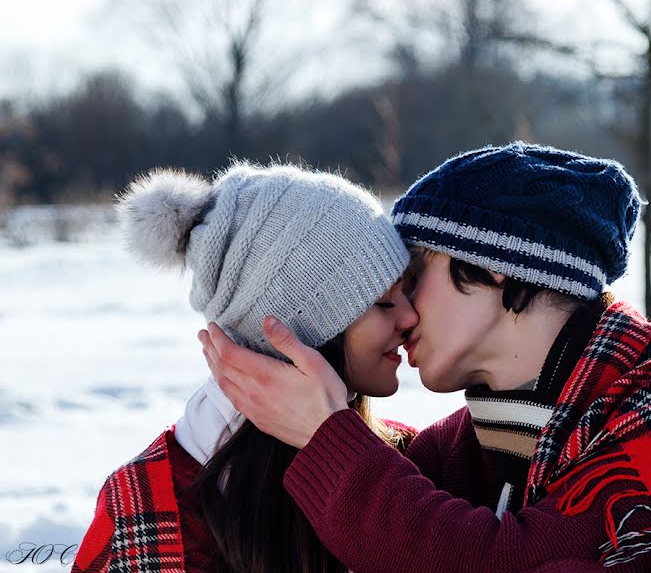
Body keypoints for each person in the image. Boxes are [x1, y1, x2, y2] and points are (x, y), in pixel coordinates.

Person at [202, 142, 651, 572]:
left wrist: (327, 437)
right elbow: (372, 498)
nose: (404, 309)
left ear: (498, 268)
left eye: (416, 272)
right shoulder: (488, 437)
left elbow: (498, 559)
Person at [72, 162, 418, 573]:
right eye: (382, 302)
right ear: (294, 333)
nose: (411, 317)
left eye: (407, 290)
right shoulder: (148, 511)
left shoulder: (403, 460)